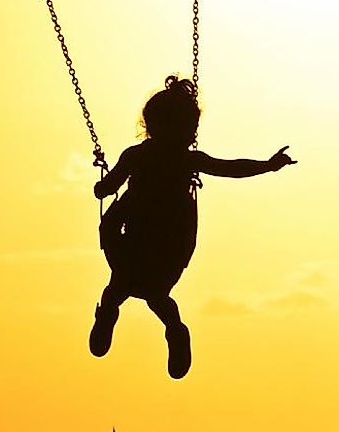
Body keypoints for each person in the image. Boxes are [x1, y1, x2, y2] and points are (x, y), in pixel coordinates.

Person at [89, 76, 296, 379]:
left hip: (148, 240)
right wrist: (267, 165)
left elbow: (108, 187)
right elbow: (230, 168)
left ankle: (137, 322)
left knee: (122, 288)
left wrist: (101, 186)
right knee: (154, 297)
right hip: (160, 239)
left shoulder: (141, 156)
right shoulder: (179, 159)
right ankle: (169, 329)